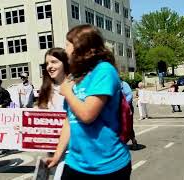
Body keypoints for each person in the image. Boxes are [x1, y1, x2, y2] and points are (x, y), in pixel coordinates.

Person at [45, 24, 131, 179]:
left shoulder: (104, 71)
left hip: (107, 166)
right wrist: (58, 154)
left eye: (68, 45)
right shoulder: (75, 76)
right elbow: (69, 120)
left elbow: (87, 115)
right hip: (75, 164)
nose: (66, 50)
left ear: (82, 48)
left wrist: (67, 93)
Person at [37, 47, 69, 180]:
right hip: (53, 151)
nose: (49, 66)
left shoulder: (76, 86)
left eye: (54, 62)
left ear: (65, 63)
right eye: (47, 64)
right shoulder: (46, 89)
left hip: (73, 152)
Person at [121, 78, 138, 148]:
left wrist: (124, 104)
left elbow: (130, 95)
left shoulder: (124, 84)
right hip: (117, 109)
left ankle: (133, 140)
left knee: (128, 125)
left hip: (127, 108)